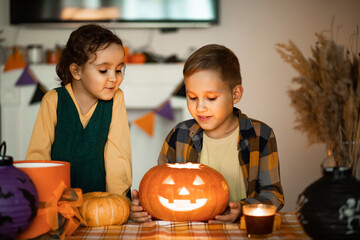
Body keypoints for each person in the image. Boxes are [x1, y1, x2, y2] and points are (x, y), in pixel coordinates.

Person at [130, 44, 284, 223]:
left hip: (240, 229)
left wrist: (241, 209)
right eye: (192, 97)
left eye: (211, 98)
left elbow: (273, 194)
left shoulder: (261, 135)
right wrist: (144, 208)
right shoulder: (179, 135)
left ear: (235, 94)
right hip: (190, 230)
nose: (200, 107)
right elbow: (160, 190)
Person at [26, 24, 132, 198]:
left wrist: (118, 199)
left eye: (119, 70)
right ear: (76, 71)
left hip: (102, 200)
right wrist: (43, 199)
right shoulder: (53, 100)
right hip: (59, 201)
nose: (114, 78)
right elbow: (38, 156)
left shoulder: (116, 98)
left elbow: (118, 155)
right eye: (104, 70)